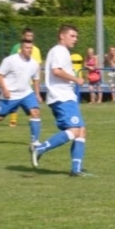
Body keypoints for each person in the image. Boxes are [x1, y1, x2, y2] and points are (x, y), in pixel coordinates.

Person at [31, 24, 88, 176]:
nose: (75, 39)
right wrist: (76, 79)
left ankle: (76, 169)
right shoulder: (59, 51)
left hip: (66, 96)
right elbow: (56, 71)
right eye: (72, 36)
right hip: (61, 97)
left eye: (76, 36)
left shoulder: (62, 52)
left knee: (81, 130)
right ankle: (40, 148)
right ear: (62, 36)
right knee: (75, 130)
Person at [0, 39, 43, 141]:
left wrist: (37, 94)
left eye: (31, 48)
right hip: (11, 95)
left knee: (35, 112)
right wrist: (5, 90)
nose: (29, 50)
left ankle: (35, 142)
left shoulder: (34, 63)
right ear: (21, 49)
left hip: (26, 93)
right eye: (27, 48)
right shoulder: (10, 60)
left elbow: (36, 79)